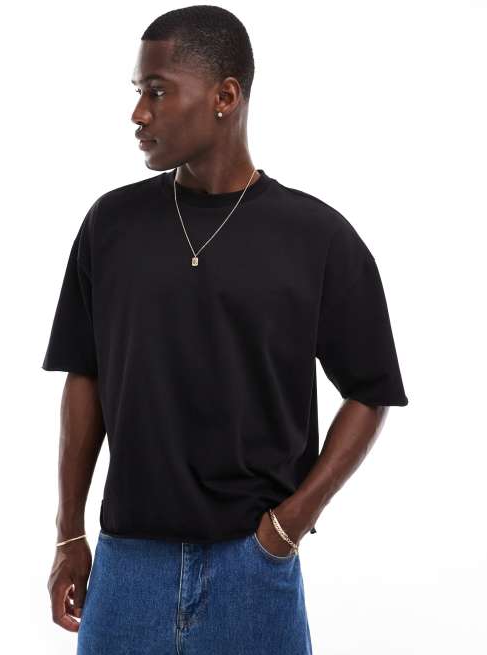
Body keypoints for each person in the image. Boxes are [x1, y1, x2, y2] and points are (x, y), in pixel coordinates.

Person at [42, 5, 409, 654]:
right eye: (138, 92)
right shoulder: (111, 225)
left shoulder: (316, 237)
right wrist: (69, 531)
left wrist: (289, 525)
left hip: (253, 568)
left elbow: (371, 390)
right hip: (127, 567)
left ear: (225, 96)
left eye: (158, 92)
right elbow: (84, 374)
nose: (139, 113)